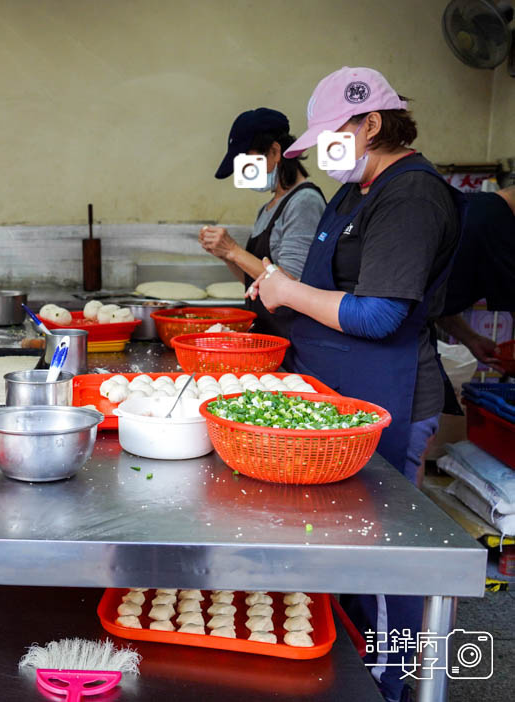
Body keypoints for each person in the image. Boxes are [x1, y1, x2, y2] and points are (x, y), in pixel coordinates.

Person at [248, 67, 463, 702]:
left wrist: (290, 292)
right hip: (337, 396)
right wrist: (278, 289)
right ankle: (362, 670)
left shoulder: (410, 198)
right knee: (349, 558)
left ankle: (403, 684)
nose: (321, 153)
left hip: (387, 399)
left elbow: (379, 314)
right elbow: (329, 282)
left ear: (372, 123)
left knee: (386, 563)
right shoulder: (354, 191)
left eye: (333, 137)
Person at [200, 108, 326, 339]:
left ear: (275, 151)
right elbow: (254, 283)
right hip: (266, 332)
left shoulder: (304, 201)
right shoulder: (267, 208)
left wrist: (233, 250)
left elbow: (290, 284)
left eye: (248, 162)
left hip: (291, 337)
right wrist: (225, 254)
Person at [437, 185, 515, 371]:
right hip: (391, 335)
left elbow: (435, 296)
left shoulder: (472, 205)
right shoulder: (499, 224)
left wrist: (471, 338)